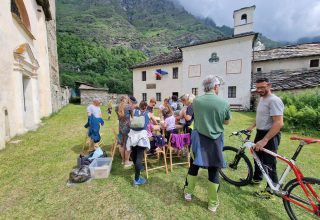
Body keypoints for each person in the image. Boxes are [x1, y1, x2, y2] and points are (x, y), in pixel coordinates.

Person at [184, 75, 230, 213]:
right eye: (218, 86)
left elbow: (196, 116)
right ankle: (212, 203)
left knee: (194, 166)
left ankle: (188, 193)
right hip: (215, 140)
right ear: (215, 87)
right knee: (213, 170)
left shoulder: (197, 101)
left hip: (199, 138)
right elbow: (227, 122)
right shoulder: (224, 103)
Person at [247, 78, 284, 199]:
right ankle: (257, 178)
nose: (259, 90)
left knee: (269, 163)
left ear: (269, 85)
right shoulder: (262, 99)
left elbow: (278, 123)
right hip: (260, 132)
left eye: (262, 87)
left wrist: (265, 140)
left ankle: (270, 190)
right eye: (257, 88)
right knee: (256, 156)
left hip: (270, 135)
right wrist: (252, 127)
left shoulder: (274, 100)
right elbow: (261, 117)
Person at [126, 101, 151, 185]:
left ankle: (138, 168)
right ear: (146, 107)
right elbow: (153, 122)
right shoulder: (148, 113)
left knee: (134, 154)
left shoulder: (134, 112)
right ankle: (136, 179)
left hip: (132, 136)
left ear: (139, 106)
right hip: (141, 137)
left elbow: (130, 121)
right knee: (139, 158)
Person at [116, 96, 133, 168]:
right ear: (126, 99)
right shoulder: (129, 106)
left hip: (120, 127)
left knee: (122, 144)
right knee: (127, 144)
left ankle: (123, 160)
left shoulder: (117, 107)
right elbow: (133, 116)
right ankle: (126, 161)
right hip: (127, 128)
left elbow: (118, 117)